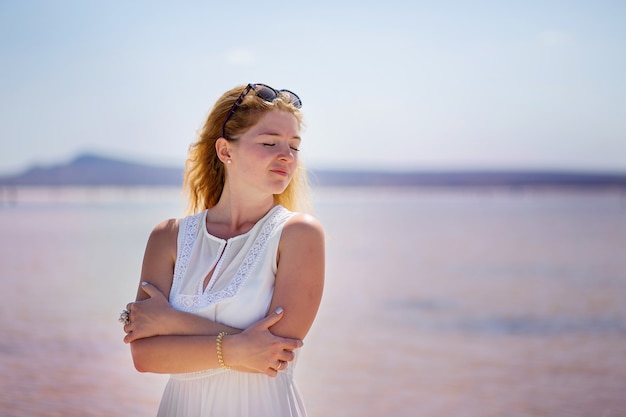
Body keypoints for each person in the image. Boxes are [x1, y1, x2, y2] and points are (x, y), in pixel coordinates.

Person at [119, 83, 325, 417]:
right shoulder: (167, 237)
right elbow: (144, 356)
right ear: (226, 151)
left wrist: (170, 321)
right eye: (270, 142)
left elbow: (274, 354)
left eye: (294, 145)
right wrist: (238, 348)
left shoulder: (298, 234)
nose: (286, 155)